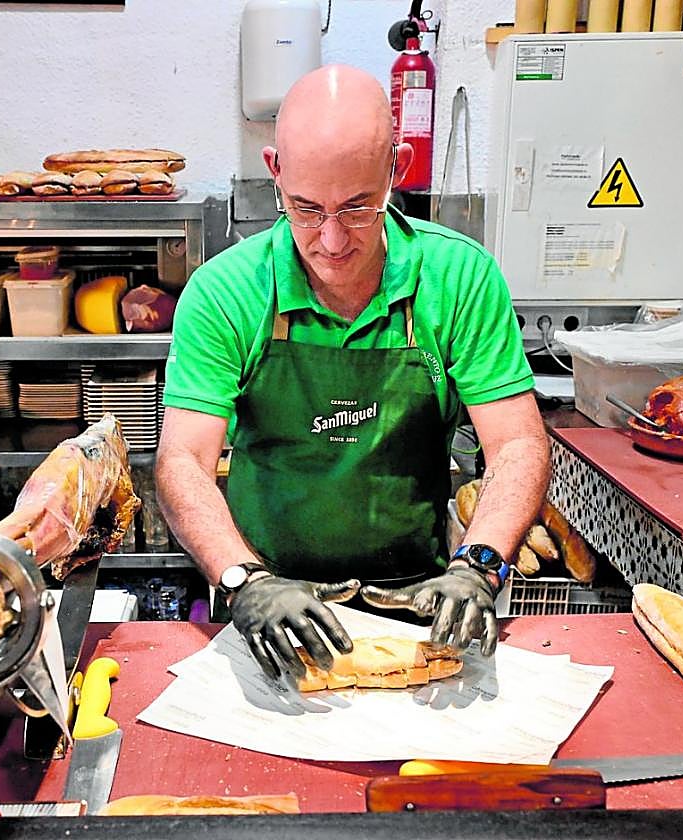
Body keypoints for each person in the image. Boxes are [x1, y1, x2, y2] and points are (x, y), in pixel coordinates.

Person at [156, 65, 550, 684]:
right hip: (269, 605)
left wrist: (479, 563)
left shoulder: (459, 278)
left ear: (398, 166)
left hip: (418, 600)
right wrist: (243, 579)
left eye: (358, 207)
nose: (333, 240)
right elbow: (182, 460)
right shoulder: (226, 291)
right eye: (307, 210)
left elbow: (519, 443)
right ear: (275, 169)